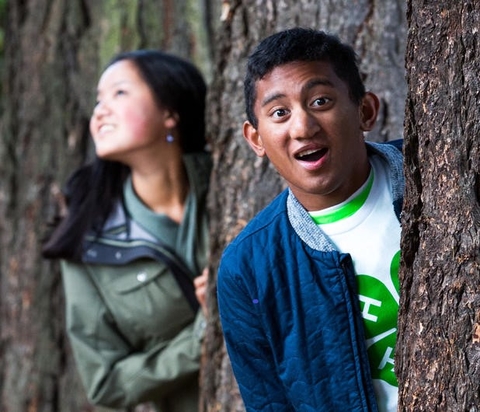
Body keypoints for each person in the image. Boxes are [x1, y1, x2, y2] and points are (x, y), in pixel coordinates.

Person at [217, 27, 403, 412]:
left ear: (365, 110)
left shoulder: (440, 172)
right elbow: (269, 403)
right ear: (256, 139)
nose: (302, 127)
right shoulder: (248, 268)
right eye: (279, 113)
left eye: (320, 101)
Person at [42, 49, 211, 412]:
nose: (100, 111)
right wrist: (203, 332)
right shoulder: (87, 243)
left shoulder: (231, 183)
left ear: (170, 112)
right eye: (97, 100)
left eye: (119, 93)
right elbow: (106, 384)